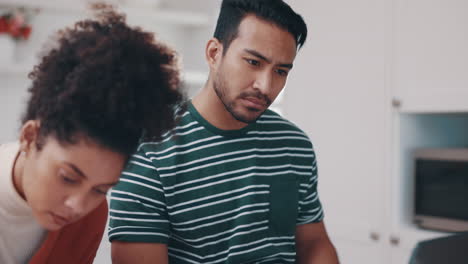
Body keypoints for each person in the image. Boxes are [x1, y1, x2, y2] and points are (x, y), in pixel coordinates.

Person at [109, 0, 339, 263]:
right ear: (214, 53)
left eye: (280, 71)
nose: (265, 85)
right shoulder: (149, 152)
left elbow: (313, 244)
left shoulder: (294, 145)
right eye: (253, 62)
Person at [0, 5, 184, 264]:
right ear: (30, 137)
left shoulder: (90, 218)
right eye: (68, 177)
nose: (78, 205)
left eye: (99, 190)